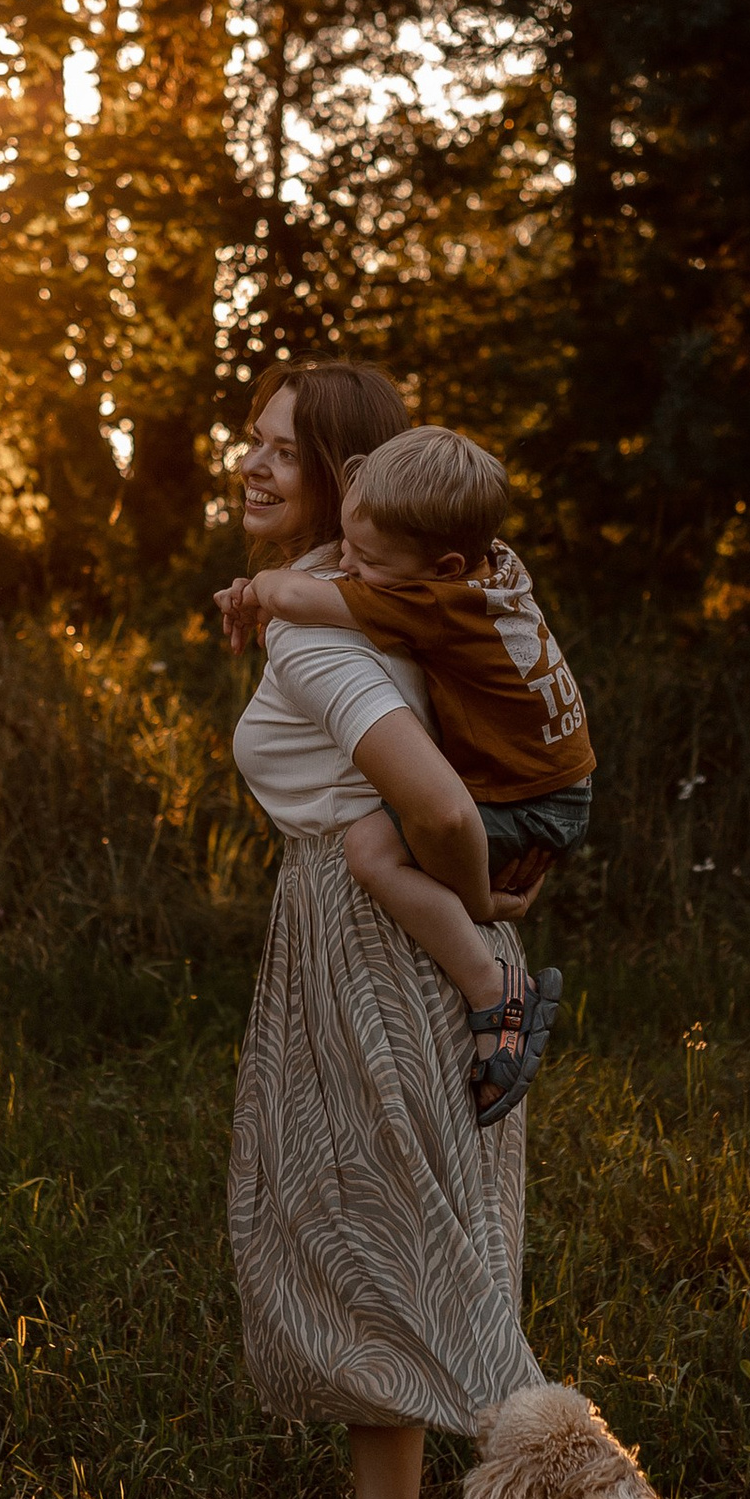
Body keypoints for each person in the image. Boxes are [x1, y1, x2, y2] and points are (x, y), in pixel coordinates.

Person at [224, 362, 546, 1499]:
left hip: (379, 957)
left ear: (346, 478)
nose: (251, 464)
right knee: (386, 1249)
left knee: (439, 1276)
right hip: (364, 947)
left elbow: (444, 810)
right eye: (248, 441)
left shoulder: (323, 632)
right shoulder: (381, 600)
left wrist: (480, 923)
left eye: (283, 452)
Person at [217, 420, 591, 1124]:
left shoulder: (437, 603)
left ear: (444, 566)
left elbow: (298, 600)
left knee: (371, 848)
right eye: (347, 549)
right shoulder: (495, 570)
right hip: (551, 782)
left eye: (366, 558)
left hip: (531, 799)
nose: (350, 568)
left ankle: (495, 989)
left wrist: (258, 588)